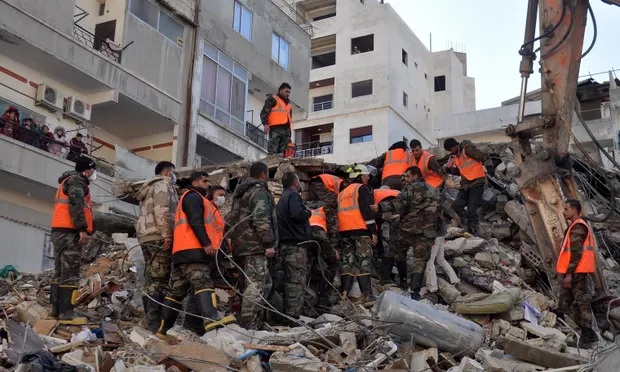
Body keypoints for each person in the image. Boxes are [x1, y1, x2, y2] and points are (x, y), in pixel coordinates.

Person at [156, 172, 235, 342]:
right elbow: (196, 221)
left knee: (177, 291)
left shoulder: (193, 198)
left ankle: (163, 329)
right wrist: (206, 243)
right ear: (195, 182)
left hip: (182, 251)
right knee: (202, 283)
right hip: (193, 250)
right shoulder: (193, 197)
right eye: (204, 181)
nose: (207, 184)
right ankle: (211, 320)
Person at [372, 166, 440, 301]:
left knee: (397, 251)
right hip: (427, 231)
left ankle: (401, 281)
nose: (405, 179)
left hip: (409, 229)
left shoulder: (411, 187)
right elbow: (439, 211)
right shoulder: (434, 191)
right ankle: (415, 293)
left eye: (407, 176)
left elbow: (398, 204)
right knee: (420, 261)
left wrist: (379, 207)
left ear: (415, 176)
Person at [227, 162, 278, 330]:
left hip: (240, 248)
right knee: (255, 286)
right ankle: (250, 327)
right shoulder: (258, 192)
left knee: (253, 284)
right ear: (263, 174)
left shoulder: (240, 194)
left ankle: (252, 322)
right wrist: (268, 243)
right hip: (255, 247)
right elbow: (261, 219)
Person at [50, 156, 97, 325]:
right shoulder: (77, 181)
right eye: (92, 169)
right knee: (70, 272)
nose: (93, 173)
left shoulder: (67, 180)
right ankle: (67, 313)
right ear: (86, 170)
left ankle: (55, 310)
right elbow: (76, 205)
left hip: (59, 231)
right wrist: (82, 229)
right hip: (69, 232)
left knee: (59, 272)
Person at [135, 161, 179, 332]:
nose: (174, 177)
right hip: (158, 236)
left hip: (146, 236)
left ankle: (150, 317)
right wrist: (167, 233)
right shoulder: (162, 186)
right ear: (167, 172)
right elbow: (162, 210)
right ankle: (154, 320)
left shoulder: (148, 188)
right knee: (159, 278)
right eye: (173, 173)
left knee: (152, 277)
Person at [182, 185, 230, 335]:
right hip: (200, 252)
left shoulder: (216, 213)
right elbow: (199, 225)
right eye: (219, 194)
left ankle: (192, 325)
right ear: (211, 195)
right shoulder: (206, 207)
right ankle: (207, 321)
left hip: (213, 255)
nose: (222, 197)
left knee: (196, 291)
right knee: (202, 286)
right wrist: (206, 244)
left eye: (224, 195)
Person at [557, 199, 598, 347]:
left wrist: (569, 274)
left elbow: (575, 253)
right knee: (565, 299)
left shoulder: (578, 227)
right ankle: (558, 319)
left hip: (576, 272)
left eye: (566, 209)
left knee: (582, 302)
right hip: (574, 271)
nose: (564, 211)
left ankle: (588, 336)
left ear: (574, 210)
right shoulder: (574, 226)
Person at [338, 164, 377, 301]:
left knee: (347, 262)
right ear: (360, 176)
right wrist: (373, 231)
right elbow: (366, 211)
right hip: (361, 231)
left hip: (345, 233)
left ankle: (343, 294)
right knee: (364, 261)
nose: (368, 178)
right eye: (366, 176)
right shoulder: (362, 189)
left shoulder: (342, 193)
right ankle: (368, 296)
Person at [276, 172, 312, 323]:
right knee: (296, 282)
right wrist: (308, 212)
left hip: (284, 245)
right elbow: (297, 214)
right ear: (295, 183)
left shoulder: (282, 198)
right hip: (295, 246)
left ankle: (285, 315)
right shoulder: (293, 196)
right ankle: (293, 317)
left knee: (287, 281)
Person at [443, 138, 486, 235]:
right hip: (466, 184)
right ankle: (466, 223)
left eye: (450, 149)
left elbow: (482, 157)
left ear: (454, 146)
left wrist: (490, 167)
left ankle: (474, 230)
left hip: (477, 182)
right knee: (456, 205)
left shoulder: (467, 149)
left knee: (472, 210)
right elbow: (461, 171)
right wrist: (450, 170)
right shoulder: (456, 156)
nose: (450, 152)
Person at [373, 187, 403, 287]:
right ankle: (400, 279)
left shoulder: (375, 193)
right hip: (400, 219)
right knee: (397, 249)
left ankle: (385, 277)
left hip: (388, 220)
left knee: (388, 249)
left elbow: (374, 213)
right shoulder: (397, 192)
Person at [261, 83, 293, 155]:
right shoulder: (273, 99)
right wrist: (265, 124)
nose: (288, 94)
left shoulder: (289, 104)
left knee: (284, 154)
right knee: (273, 152)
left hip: (286, 131)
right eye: (286, 91)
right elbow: (264, 113)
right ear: (280, 90)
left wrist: (289, 133)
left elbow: (289, 119)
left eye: (289, 92)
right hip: (275, 129)